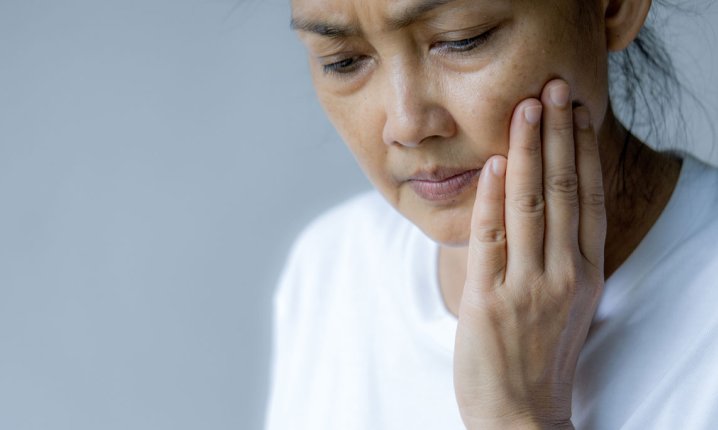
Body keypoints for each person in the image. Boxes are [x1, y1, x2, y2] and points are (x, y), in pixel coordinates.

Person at [265, 0, 718, 428]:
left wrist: (519, 416)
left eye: (463, 39)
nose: (406, 125)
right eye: (342, 61)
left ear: (614, 7)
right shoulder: (330, 268)